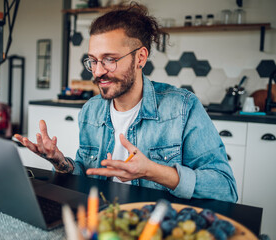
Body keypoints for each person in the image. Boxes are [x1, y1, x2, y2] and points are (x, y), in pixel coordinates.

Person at [15, 3, 238, 202]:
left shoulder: (182, 108)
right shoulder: (90, 111)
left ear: (140, 58)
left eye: (110, 60)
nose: (98, 72)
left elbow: (225, 188)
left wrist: (152, 171)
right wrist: (60, 162)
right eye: (93, 61)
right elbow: (86, 174)